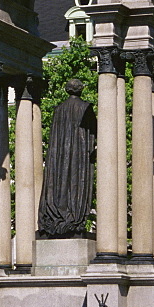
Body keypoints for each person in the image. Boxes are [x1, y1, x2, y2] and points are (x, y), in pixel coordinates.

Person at [37, 78, 96, 238]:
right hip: (79, 156)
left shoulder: (59, 109)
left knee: (60, 182)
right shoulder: (86, 108)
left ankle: (57, 214)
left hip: (59, 157)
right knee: (76, 184)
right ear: (81, 89)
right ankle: (73, 217)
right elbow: (94, 133)